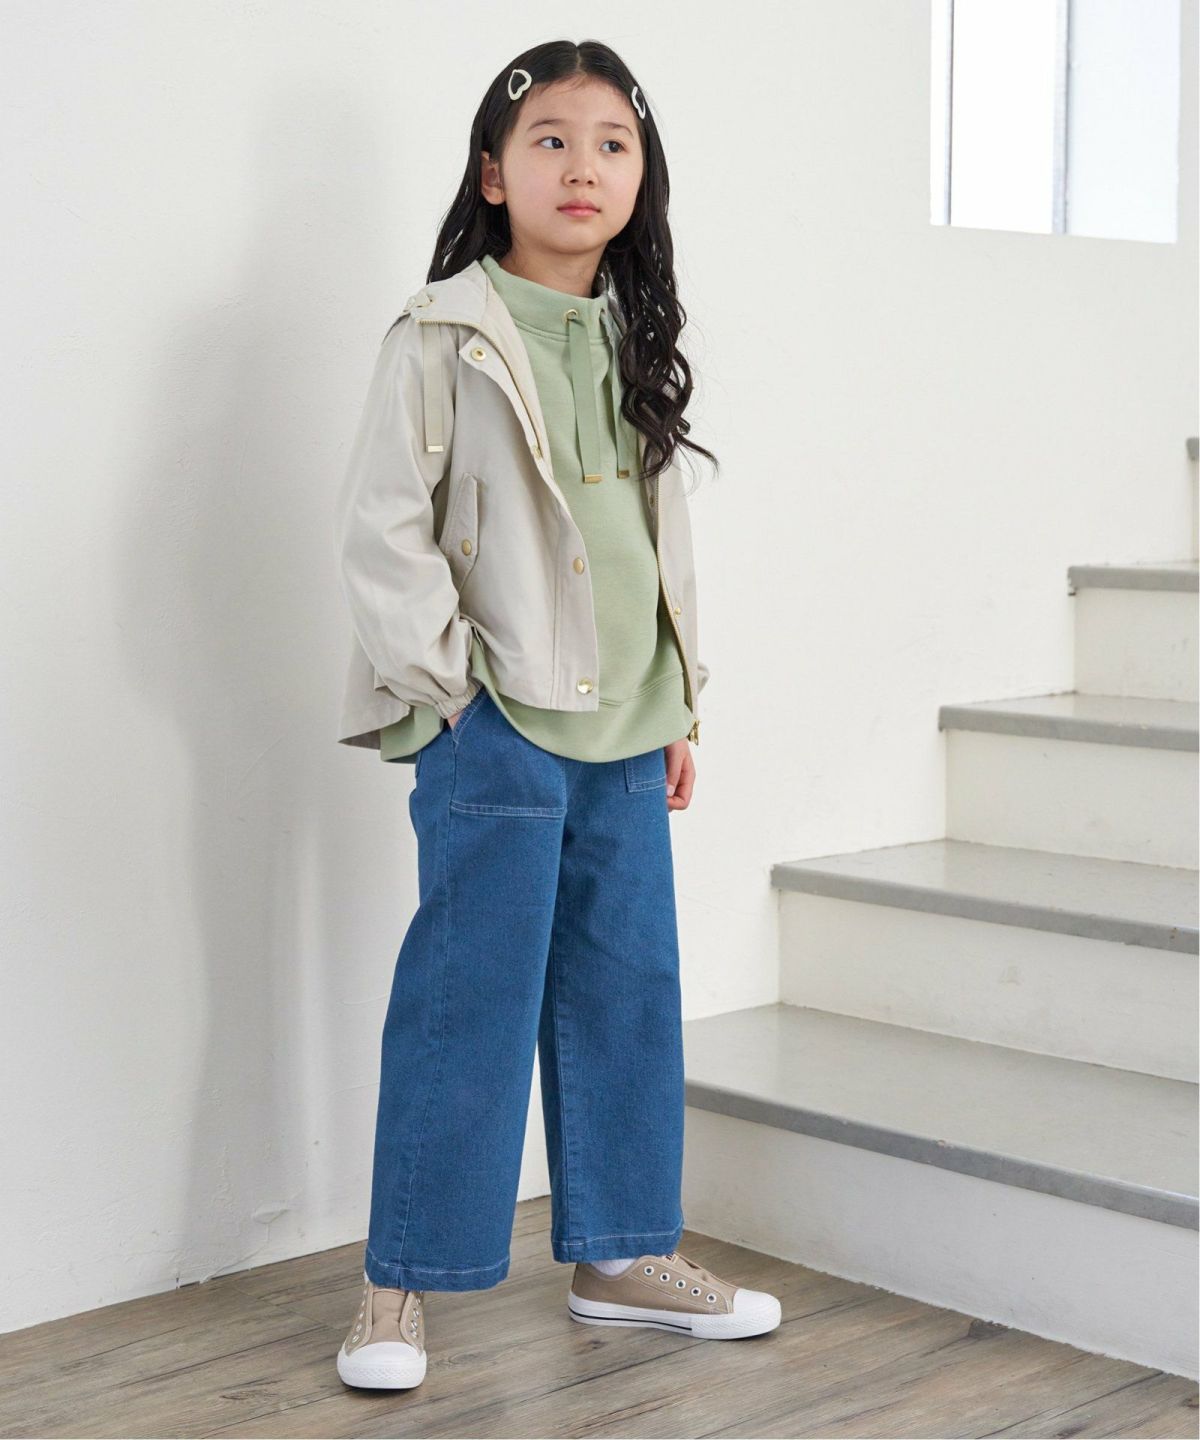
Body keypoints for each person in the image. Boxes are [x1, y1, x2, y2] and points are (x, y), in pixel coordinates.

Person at [331, 38, 781, 1391]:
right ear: (493, 173)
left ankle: (623, 1254)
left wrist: (680, 699)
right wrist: (451, 696)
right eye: (550, 140)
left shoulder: (635, 338)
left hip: (629, 727)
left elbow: (649, 541)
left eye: (611, 144)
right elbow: (382, 530)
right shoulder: (441, 333)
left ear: (641, 179)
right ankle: (396, 1285)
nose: (582, 166)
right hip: (498, 722)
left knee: (627, 994)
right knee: (466, 1000)